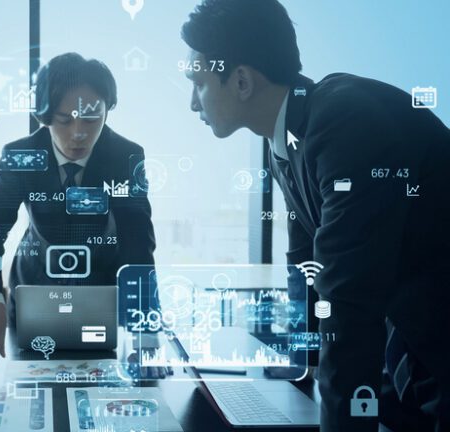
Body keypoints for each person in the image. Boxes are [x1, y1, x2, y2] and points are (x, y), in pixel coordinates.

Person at [180, 1, 450, 431]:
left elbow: (347, 297)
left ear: (242, 80)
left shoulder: (344, 122)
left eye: (198, 84)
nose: (193, 103)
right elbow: (305, 265)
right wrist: (298, 374)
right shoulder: (288, 137)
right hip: (410, 347)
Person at [0, 53, 156, 375]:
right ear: (45, 115)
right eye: (65, 120)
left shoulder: (126, 156)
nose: (79, 132)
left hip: (101, 297)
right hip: (33, 294)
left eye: (92, 118)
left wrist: (144, 327)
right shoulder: (21, 156)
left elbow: (138, 242)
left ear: (108, 110)